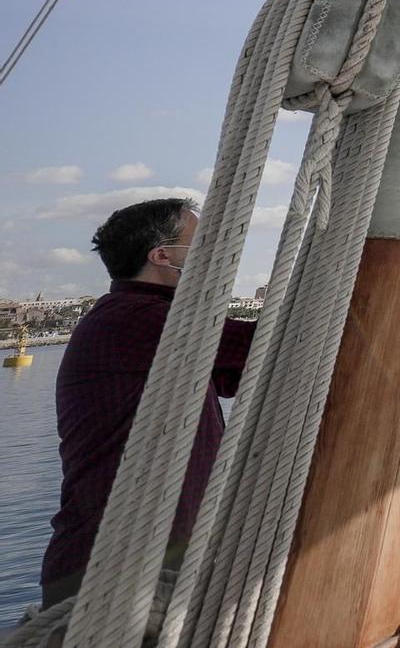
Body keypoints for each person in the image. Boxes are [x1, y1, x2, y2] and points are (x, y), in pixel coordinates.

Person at [39, 196, 255, 608]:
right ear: (162, 255)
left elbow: (238, 372)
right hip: (119, 573)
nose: (215, 251)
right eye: (202, 241)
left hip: (144, 562)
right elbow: (268, 343)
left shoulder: (148, 319)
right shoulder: (136, 318)